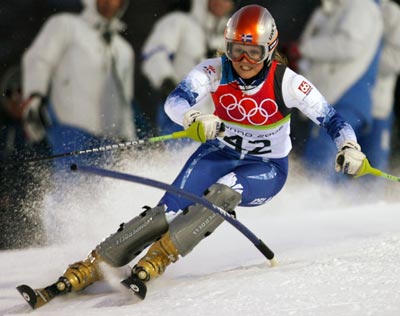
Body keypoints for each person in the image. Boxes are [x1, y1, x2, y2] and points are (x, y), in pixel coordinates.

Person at [18, 5, 369, 307]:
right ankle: (88, 267)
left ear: (270, 49)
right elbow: (176, 100)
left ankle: (158, 260)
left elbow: (332, 118)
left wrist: (349, 147)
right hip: (217, 153)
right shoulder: (214, 70)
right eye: (235, 51)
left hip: (265, 168)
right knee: (165, 211)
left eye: (254, 53)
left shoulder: (288, 83)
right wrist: (194, 117)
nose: (244, 62)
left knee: (223, 193)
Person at [22, 0, 136, 169]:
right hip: (69, 131)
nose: (109, 3)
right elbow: (39, 59)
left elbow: (125, 99)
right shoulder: (66, 25)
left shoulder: (124, 50)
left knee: (103, 192)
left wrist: (129, 138)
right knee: (71, 186)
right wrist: (34, 96)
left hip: (108, 141)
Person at [297, 0, 383, 182]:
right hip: (340, 98)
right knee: (340, 164)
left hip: (344, 97)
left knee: (321, 166)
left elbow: (348, 45)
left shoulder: (360, 7)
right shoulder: (344, 7)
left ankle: (318, 204)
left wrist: (304, 48)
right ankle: (336, 204)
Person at [140, 0, 236, 136]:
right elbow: (154, 53)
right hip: (179, 114)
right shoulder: (179, 22)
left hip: (212, 123)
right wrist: (165, 79)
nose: (221, 3)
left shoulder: (231, 35)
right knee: (175, 156)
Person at [0, 65, 52, 249]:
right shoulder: (5, 128)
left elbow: (49, 167)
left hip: (30, 206)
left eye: (21, 92)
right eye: (9, 93)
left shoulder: (41, 124)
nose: (15, 99)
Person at [361, 0, 400, 174]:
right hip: (340, 101)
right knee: (333, 163)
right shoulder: (342, 7)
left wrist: (360, 64)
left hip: (377, 106)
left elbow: (396, 58)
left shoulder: (391, 12)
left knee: (374, 167)